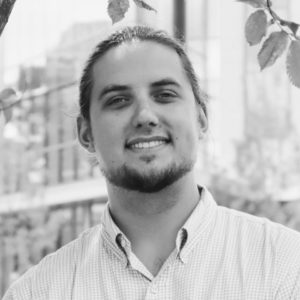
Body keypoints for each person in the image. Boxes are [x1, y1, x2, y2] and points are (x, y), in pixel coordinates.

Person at [3, 25, 300, 300]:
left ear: (201, 118)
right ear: (85, 133)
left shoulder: (285, 266)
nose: (145, 115)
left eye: (165, 95)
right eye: (118, 100)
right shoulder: (35, 293)